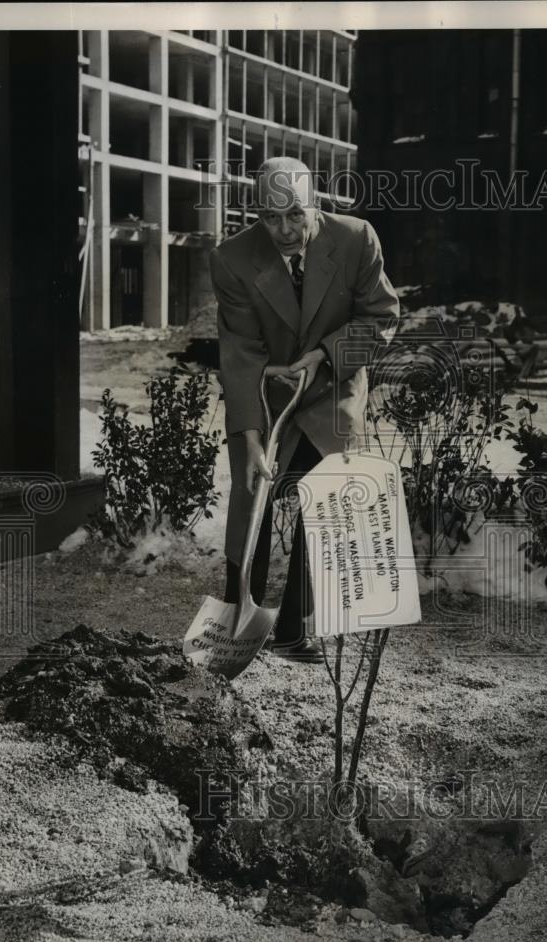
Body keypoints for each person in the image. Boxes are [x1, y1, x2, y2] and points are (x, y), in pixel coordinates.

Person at [209, 157, 399, 662]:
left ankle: (294, 631)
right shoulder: (231, 259)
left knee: (326, 503)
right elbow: (240, 352)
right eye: (270, 218)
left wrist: (326, 355)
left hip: (333, 390)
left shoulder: (357, 238)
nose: (284, 230)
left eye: (295, 214)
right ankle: (235, 621)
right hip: (271, 396)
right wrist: (249, 438)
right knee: (254, 497)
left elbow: (381, 316)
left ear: (315, 204)